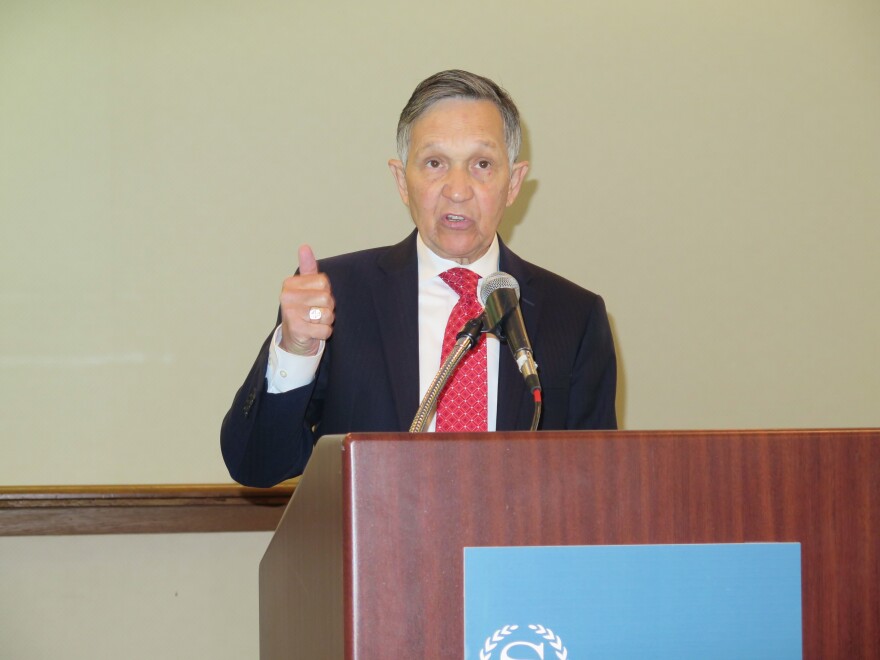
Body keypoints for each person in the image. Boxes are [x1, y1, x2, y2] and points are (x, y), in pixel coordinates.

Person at [221, 70, 617, 487]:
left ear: (513, 182)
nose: (458, 189)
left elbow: (598, 487)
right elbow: (256, 464)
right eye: (435, 163)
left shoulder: (572, 317)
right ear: (401, 180)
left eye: (482, 164)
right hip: (378, 552)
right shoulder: (339, 297)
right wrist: (296, 350)